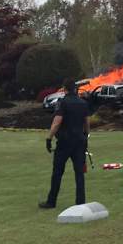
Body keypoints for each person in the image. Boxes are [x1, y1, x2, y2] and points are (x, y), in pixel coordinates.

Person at [38, 79, 90, 209]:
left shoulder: (63, 103)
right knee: (79, 173)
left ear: (65, 89)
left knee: (57, 172)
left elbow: (57, 122)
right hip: (79, 141)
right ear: (75, 89)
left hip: (64, 142)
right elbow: (87, 123)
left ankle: (51, 201)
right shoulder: (83, 103)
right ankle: (80, 201)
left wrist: (49, 138)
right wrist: (86, 136)